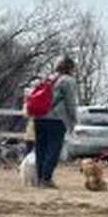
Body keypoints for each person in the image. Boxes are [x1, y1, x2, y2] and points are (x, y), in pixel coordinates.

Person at [34, 56, 78, 188]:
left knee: (40, 148)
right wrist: (73, 119)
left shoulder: (48, 78)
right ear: (70, 68)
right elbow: (70, 102)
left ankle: (39, 178)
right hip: (56, 119)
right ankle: (46, 179)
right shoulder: (68, 81)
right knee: (53, 149)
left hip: (40, 117)